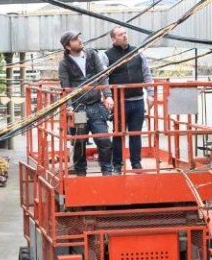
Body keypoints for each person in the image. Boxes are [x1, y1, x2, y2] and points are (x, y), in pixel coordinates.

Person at [57, 30, 115, 175]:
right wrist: (69, 105)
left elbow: (102, 75)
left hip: (96, 105)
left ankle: (107, 171)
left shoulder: (91, 55)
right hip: (79, 108)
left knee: (104, 140)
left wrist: (108, 95)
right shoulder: (64, 64)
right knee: (80, 141)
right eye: (75, 39)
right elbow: (66, 86)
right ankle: (81, 171)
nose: (80, 40)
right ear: (68, 46)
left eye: (79, 38)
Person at [104, 26, 149, 170]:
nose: (124, 36)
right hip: (119, 101)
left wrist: (151, 94)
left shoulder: (137, 52)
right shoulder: (107, 55)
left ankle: (136, 162)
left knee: (136, 133)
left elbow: (147, 73)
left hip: (137, 99)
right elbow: (103, 78)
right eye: (120, 34)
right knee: (118, 133)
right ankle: (117, 163)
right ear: (113, 39)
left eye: (125, 33)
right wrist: (107, 96)